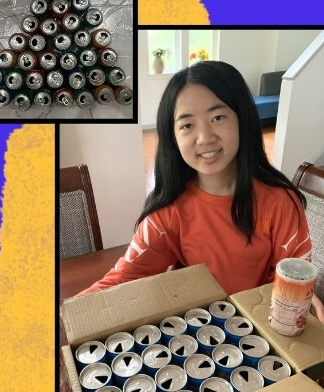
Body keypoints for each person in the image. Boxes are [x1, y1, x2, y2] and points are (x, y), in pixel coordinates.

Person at [81, 61, 317, 313]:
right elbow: (126, 278)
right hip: (192, 334)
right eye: (187, 125)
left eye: (217, 117)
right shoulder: (169, 210)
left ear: (242, 119)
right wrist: (67, 315)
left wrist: (306, 300)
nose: (205, 138)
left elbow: (293, 281)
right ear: (173, 137)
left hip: (262, 332)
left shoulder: (280, 202)